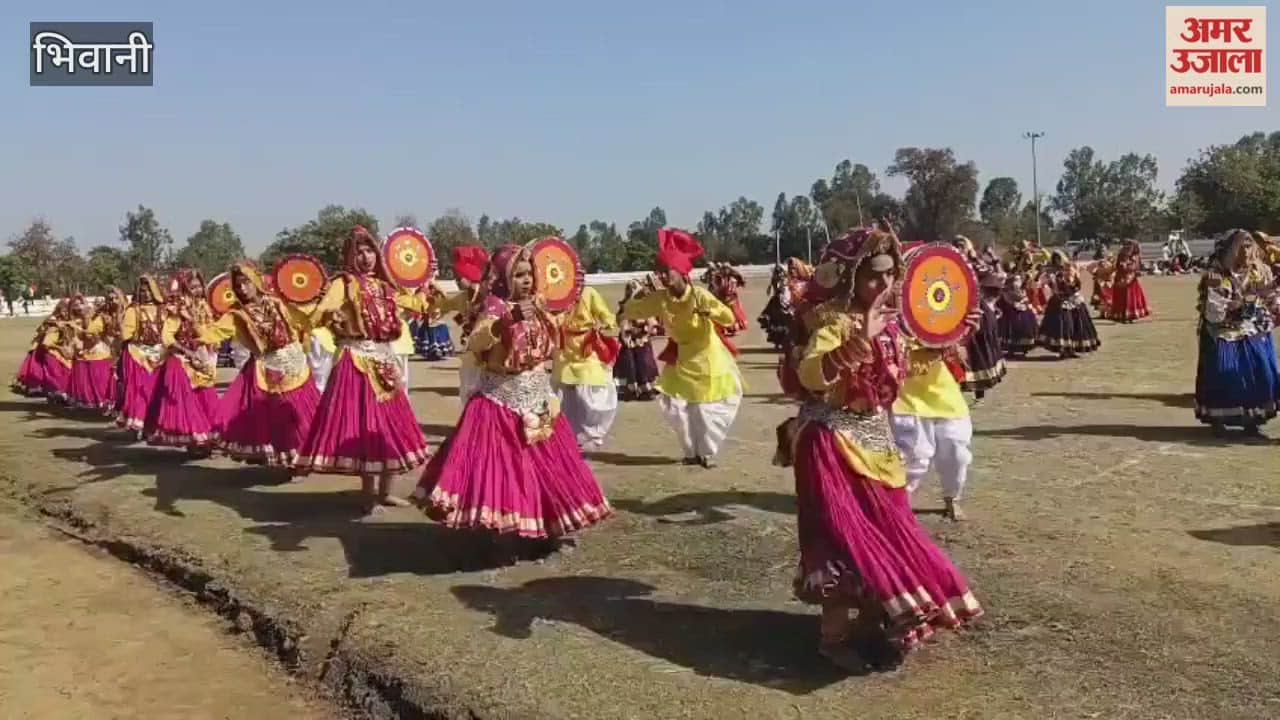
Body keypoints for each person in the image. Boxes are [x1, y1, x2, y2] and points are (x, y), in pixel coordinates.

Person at [774, 226, 982, 672]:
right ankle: (833, 639)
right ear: (851, 278)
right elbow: (812, 374)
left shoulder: (888, 323)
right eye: (874, 277)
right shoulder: (832, 321)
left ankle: (877, 621)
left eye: (890, 277)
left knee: (888, 533)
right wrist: (857, 340)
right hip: (830, 444)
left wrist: (951, 338)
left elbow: (907, 365)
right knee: (841, 539)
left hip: (875, 442)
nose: (884, 286)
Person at [412, 243, 612, 556]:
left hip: (538, 396)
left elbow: (552, 337)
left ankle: (550, 529)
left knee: (549, 466)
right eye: (518, 275)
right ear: (504, 277)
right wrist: (508, 320)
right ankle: (504, 533)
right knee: (506, 470)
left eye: (529, 274)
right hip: (500, 400)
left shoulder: (539, 303)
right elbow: (477, 341)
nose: (526, 280)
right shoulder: (495, 306)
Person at [296, 225, 432, 511]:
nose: (365, 257)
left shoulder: (386, 287)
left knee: (392, 425)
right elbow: (322, 311)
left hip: (384, 361)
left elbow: (415, 305)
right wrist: (321, 313)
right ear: (349, 256)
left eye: (370, 250)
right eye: (359, 252)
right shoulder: (343, 284)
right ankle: (368, 494)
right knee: (366, 425)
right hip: (356, 362)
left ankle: (386, 492)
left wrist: (426, 290)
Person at [621, 229, 743, 468]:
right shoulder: (661, 298)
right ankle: (689, 451)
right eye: (660, 272)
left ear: (681, 272)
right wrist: (636, 297)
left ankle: (705, 452)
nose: (663, 277)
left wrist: (712, 312)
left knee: (704, 410)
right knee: (674, 406)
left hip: (707, 358)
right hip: (681, 359)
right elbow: (634, 310)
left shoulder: (699, 296)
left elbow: (729, 318)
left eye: (667, 272)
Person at [200, 261, 321, 469]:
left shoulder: (277, 302)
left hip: (295, 363)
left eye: (246, 283)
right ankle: (290, 461)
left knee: (302, 413)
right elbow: (212, 333)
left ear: (256, 281)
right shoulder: (236, 315)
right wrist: (190, 324)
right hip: (267, 369)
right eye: (238, 286)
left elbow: (303, 319)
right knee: (280, 419)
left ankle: (303, 459)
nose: (242, 289)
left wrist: (322, 306)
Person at [1194, 230, 1280, 437]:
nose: (1247, 250)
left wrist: (1273, 295)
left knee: (1261, 373)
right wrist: (1240, 304)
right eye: (1242, 246)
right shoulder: (1216, 274)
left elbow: (1267, 295)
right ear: (1231, 249)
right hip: (1224, 331)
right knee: (1226, 373)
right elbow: (1214, 310)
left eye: (1250, 246)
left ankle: (1252, 419)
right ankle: (1219, 418)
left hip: (1253, 330)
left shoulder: (1259, 270)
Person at [144, 269, 220, 454]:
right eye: (192, 287)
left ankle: (208, 439)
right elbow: (167, 336)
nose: (197, 290)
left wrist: (208, 347)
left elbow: (209, 331)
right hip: (182, 360)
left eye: (199, 286)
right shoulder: (178, 308)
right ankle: (194, 441)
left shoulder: (204, 306)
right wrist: (187, 352)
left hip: (204, 356)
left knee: (207, 398)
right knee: (190, 402)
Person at [552, 285, 620, 450]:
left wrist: (607, 324)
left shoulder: (589, 293)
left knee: (593, 396)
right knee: (565, 398)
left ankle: (593, 433)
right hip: (564, 349)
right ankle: (571, 435)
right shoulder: (554, 295)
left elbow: (605, 315)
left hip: (586, 347)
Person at [116, 275, 166, 434]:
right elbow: (125, 335)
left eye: (149, 290)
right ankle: (138, 420)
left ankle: (156, 423)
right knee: (140, 389)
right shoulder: (133, 310)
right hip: (138, 353)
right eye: (142, 291)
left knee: (159, 390)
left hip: (160, 353)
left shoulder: (164, 309)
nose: (146, 294)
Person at [66, 290, 125, 414]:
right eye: (109, 299)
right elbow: (89, 333)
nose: (112, 301)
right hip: (105, 351)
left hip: (122, 350)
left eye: (115, 298)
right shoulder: (100, 316)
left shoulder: (127, 312)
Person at [1037, 252, 1101, 358]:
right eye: (1056, 259)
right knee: (1064, 327)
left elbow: (1077, 285)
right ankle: (1063, 350)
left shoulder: (1073, 273)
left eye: (1060, 259)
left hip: (1074, 302)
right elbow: (1052, 286)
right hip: (1060, 303)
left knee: (1075, 326)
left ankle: (1071, 349)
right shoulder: (1054, 275)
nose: (1066, 270)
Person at [962, 269, 1007, 400]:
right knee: (978, 358)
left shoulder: (984, 303)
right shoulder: (976, 299)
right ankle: (979, 388)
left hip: (983, 329)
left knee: (981, 357)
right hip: (978, 331)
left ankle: (980, 388)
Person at [613, 280, 660, 401]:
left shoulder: (645, 306)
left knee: (645, 364)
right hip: (628, 342)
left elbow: (652, 323)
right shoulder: (624, 307)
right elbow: (622, 323)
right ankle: (630, 390)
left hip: (642, 340)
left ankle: (646, 390)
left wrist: (646, 329)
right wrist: (627, 333)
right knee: (629, 365)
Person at [12, 301, 65, 396]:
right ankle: (36, 387)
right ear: (59, 309)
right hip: (43, 347)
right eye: (63, 310)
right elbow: (42, 331)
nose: (64, 312)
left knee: (46, 369)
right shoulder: (52, 319)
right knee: (39, 369)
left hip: (50, 347)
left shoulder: (61, 319)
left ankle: (42, 387)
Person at [1107, 240, 1151, 322]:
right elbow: (1119, 266)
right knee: (1123, 297)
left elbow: (1138, 267)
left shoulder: (1136, 256)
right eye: (1127, 246)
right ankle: (1122, 315)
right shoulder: (1122, 255)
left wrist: (1136, 271)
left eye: (1130, 246)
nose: (1128, 248)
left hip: (1132, 279)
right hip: (1122, 278)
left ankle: (1131, 315)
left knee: (1132, 297)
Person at [997, 274, 1038, 358]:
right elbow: (1006, 302)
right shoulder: (1006, 292)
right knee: (1011, 332)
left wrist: (1025, 303)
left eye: (1019, 280)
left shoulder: (1021, 290)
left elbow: (1025, 299)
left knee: (1025, 330)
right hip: (1010, 315)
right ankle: (1011, 349)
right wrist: (1015, 304)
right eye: (1016, 280)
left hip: (1023, 314)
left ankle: (1024, 348)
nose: (1018, 282)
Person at [706, 262, 748, 336]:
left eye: (727, 269)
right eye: (724, 269)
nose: (725, 270)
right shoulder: (718, 277)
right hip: (721, 298)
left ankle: (733, 329)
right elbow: (715, 286)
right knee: (722, 314)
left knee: (733, 314)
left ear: (729, 269)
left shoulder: (732, 278)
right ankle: (723, 329)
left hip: (731, 298)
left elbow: (741, 282)